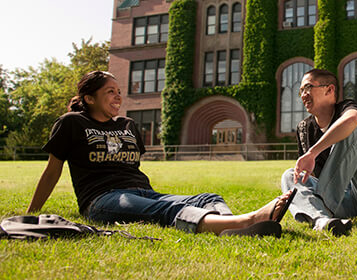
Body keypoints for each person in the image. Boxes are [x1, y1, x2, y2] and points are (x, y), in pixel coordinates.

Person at [27, 71, 295, 237]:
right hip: (103, 198)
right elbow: (52, 170)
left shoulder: (127, 125)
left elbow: (131, 168)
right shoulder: (72, 123)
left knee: (208, 197)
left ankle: (229, 227)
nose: (118, 97)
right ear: (89, 98)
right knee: (167, 209)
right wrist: (31, 213)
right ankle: (245, 221)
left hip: (143, 191)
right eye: (110, 92)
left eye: (119, 92)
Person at [280, 69, 357, 236]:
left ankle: (323, 206)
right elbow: (313, 177)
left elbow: (352, 120)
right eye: (301, 90)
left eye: (307, 87)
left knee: (352, 132)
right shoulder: (304, 129)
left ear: (329, 90)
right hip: (342, 203)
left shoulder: (347, 108)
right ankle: (322, 220)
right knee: (289, 175)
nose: (303, 95)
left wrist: (312, 152)